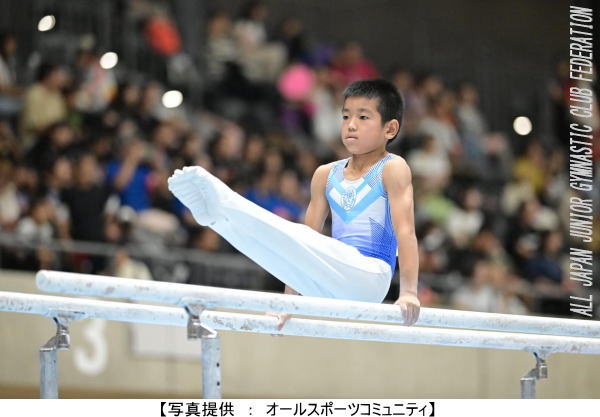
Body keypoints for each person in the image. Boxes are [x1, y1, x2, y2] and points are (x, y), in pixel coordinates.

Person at [168, 79, 420, 330]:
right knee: (267, 250)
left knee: (293, 237)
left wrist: (409, 292)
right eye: (345, 116)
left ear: (390, 129)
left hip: (370, 277)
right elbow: (302, 247)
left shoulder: (392, 168)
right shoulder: (325, 174)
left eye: (363, 117)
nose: (351, 125)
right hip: (328, 282)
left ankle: (225, 202)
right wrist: (290, 302)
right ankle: (218, 219)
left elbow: (406, 231)